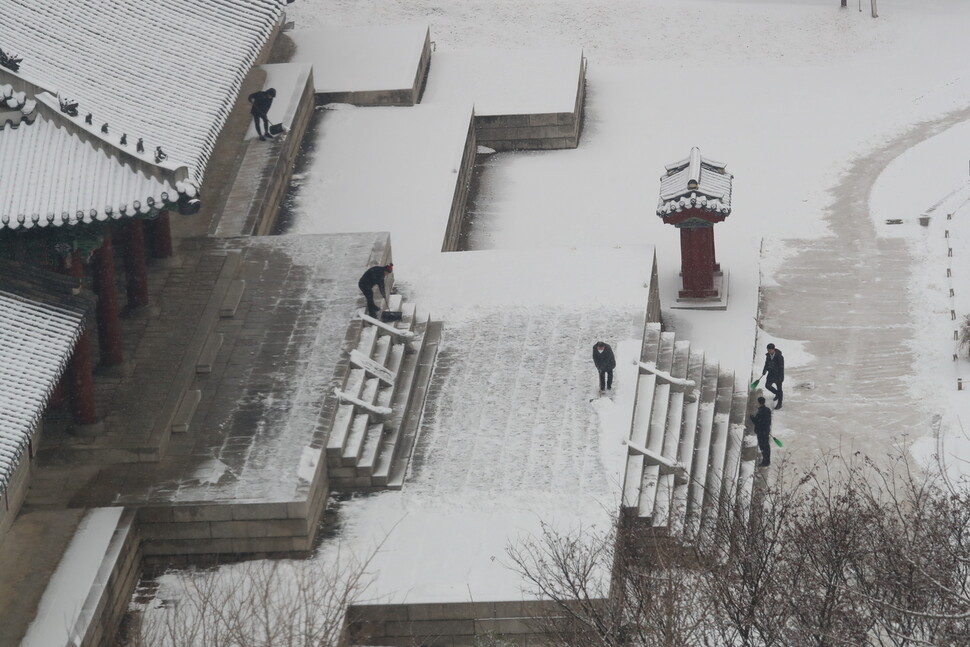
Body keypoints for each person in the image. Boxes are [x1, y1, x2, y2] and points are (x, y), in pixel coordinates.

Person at [761, 343, 785, 409]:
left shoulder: (779, 356)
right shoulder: (768, 355)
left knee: (779, 389)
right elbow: (766, 363)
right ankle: (777, 394)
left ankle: (779, 403)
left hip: (778, 375)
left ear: (773, 349)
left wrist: (781, 377)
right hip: (771, 374)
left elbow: (781, 367)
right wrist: (765, 370)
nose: (768, 351)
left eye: (770, 350)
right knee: (767, 386)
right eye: (768, 350)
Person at [751, 396, 772, 467]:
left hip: (761, 432)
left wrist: (752, 418)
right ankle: (767, 459)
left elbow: (757, 422)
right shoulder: (768, 410)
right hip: (766, 430)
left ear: (759, 403)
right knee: (766, 446)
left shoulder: (760, 412)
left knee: (763, 446)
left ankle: (765, 461)